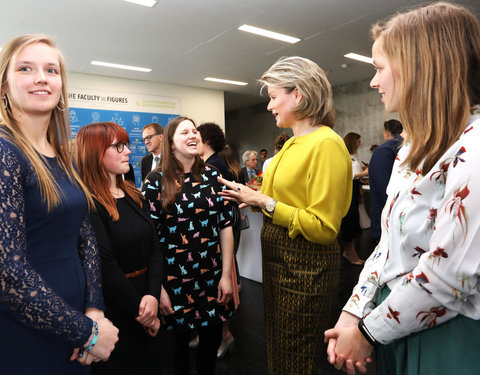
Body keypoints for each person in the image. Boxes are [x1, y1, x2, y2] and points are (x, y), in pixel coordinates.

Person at [325, 3, 480, 375]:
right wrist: (353, 312)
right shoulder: (412, 147)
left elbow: (449, 279)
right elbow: (388, 246)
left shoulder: (473, 147)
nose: (373, 82)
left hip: (444, 336)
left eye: (379, 68)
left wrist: (366, 332)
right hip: (396, 324)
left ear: (420, 67)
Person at [218, 56, 352, 375]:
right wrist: (245, 196)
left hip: (306, 269)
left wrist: (264, 202)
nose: (269, 105)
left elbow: (323, 228)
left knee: (296, 357)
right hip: (280, 267)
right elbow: (275, 197)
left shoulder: (327, 144)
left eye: (274, 96)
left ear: (298, 95)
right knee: (280, 350)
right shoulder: (292, 144)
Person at [0, 34, 118, 373]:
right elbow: (7, 275)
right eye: (25, 68)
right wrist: (87, 333)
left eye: (51, 70)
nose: (41, 77)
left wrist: (94, 307)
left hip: (77, 321)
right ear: (4, 86)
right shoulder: (6, 153)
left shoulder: (64, 156)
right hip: (29, 330)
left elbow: (85, 236)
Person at [142, 116, 235, 375]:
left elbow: (225, 226)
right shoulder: (155, 181)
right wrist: (157, 287)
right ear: (171, 144)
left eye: (194, 131)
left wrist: (227, 275)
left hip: (212, 276)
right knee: (178, 351)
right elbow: (150, 239)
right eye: (184, 132)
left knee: (210, 343)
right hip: (174, 279)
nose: (193, 135)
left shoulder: (213, 175)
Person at [76, 122, 163, 373]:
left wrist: (153, 295)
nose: (128, 152)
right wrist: (143, 310)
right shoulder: (89, 203)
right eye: (118, 146)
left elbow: (155, 247)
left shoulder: (135, 196)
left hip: (148, 298)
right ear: (95, 153)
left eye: (126, 145)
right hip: (117, 308)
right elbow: (104, 265)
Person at [197, 122, 240, 359]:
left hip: (221, 231)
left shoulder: (213, 167)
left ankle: (225, 335)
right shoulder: (213, 164)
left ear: (206, 141)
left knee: (224, 284)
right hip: (222, 228)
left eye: (196, 135)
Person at [368, 119, 403, 246]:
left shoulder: (383, 152)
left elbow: (385, 191)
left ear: (387, 133)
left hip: (387, 223)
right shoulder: (406, 147)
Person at [341, 132, 369, 265]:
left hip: (354, 190)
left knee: (353, 220)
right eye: (358, 141)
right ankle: (349, 252)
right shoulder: (346, 157)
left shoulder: (352, 158)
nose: (360, 144)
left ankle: (350, 251)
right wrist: (365, 172)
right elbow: (350, 176)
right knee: (350, 220)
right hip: (349, 192)